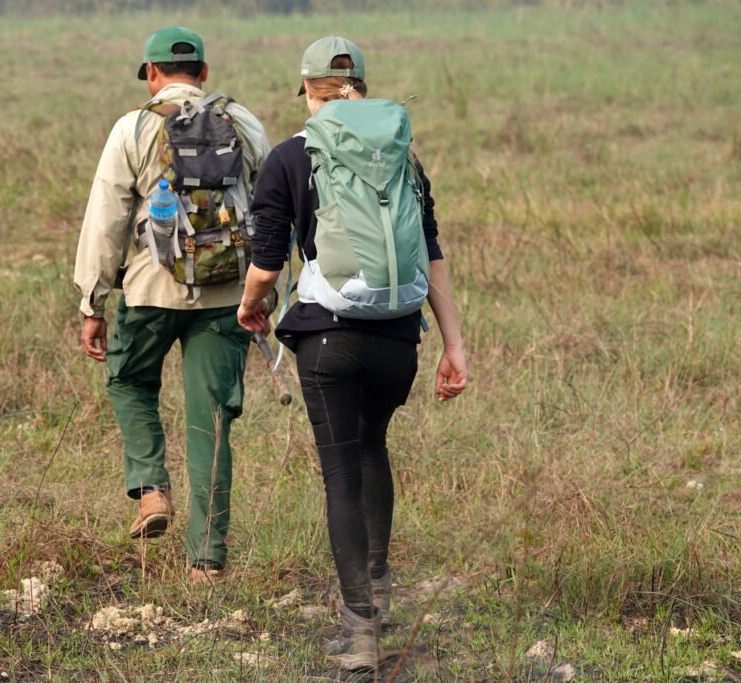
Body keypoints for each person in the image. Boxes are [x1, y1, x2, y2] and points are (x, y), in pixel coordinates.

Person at [236, 36, 468, 669]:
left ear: (305, 88)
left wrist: (252, 305)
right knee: (372, 449)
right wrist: (455, 345)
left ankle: (360, 632)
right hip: (398, 340)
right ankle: (381, 591)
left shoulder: (289, 156)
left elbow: (265, 262)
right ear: (362, 85)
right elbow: (433, 254)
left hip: (327, 339)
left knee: (340, 471)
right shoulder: (403, 158)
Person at [74, 26, 270, 583]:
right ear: (204, 73)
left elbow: (106, 217)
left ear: (152, 74)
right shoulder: (244, 123)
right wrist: (265, 291)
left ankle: (152, 489)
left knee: (130, 380)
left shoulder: (133, 126)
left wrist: (92, 300)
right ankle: (206, 562)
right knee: (210, 421)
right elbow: (269, 210)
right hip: (229, 296)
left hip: (149, 290)